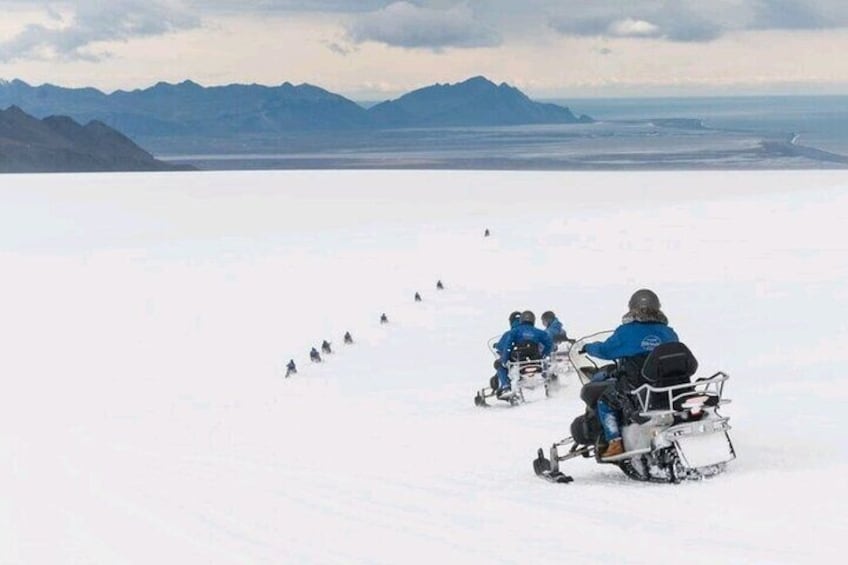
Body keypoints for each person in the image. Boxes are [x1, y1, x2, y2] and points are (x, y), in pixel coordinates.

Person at [579, 289, 679, 458]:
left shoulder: (627, 331)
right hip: (666, 389)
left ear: (632, 307)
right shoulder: (668, 332)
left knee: (605, 401)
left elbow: (606, 351)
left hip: (638, 390)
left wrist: (588, 347)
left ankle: (615, 442)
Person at [497, 310, 553, 398]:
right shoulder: (539, 332)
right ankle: (550, 383)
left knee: (500, 365)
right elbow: (549, 343)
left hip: (519, 358)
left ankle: (506, 387)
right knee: (546, 366)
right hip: (535, 358)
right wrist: (544, 355)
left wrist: (505, 360)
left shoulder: (514, 332)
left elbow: (508, 346)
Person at [492, 311, 522, 392]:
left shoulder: (509, 334)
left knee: (500, 365)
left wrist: (497, 345)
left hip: (515, 359)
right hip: (532, 358)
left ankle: (506, 386)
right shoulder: (531, 331)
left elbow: (502, 346)